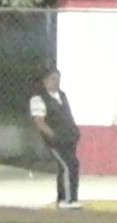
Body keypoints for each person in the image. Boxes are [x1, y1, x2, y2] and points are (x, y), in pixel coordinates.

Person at [29, 67, 82, 210]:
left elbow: (67, 115)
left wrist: (74, 131)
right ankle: (68, 199)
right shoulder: (38, 99)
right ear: (45, 81)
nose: (56, 82)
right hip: (55, 141)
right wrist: (54, 136)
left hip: (69, 138)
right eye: (53, 78)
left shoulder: (62, 95)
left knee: (69, 166)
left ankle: (64, 198)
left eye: (58, 78)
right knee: (69, 165)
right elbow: (39, 122)